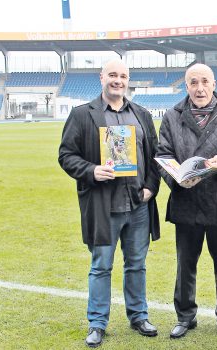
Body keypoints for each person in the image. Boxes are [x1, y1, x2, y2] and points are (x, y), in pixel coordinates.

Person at [58, 59, 161, 348]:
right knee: (101, 265)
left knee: (137, 264)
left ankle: (139, 316)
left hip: (138, 204)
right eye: (112, 75)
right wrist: (91, 171)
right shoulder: (82, 115)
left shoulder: (141, 114)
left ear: (128, 80)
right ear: (102, 77)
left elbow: (155, 157)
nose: (118, 80)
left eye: (123, 76)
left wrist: (151, 188)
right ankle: (97, 323)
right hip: (104, 205)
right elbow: (66, 155)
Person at [156, 63, 217, 339]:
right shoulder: (172, 116)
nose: (199, 88)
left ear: (214, 83)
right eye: (193, 82)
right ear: (187, 86)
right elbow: (162, 155)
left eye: (204, 81)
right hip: (186, 201)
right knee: (185, 266)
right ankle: (185, 316)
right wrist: (176, 179)